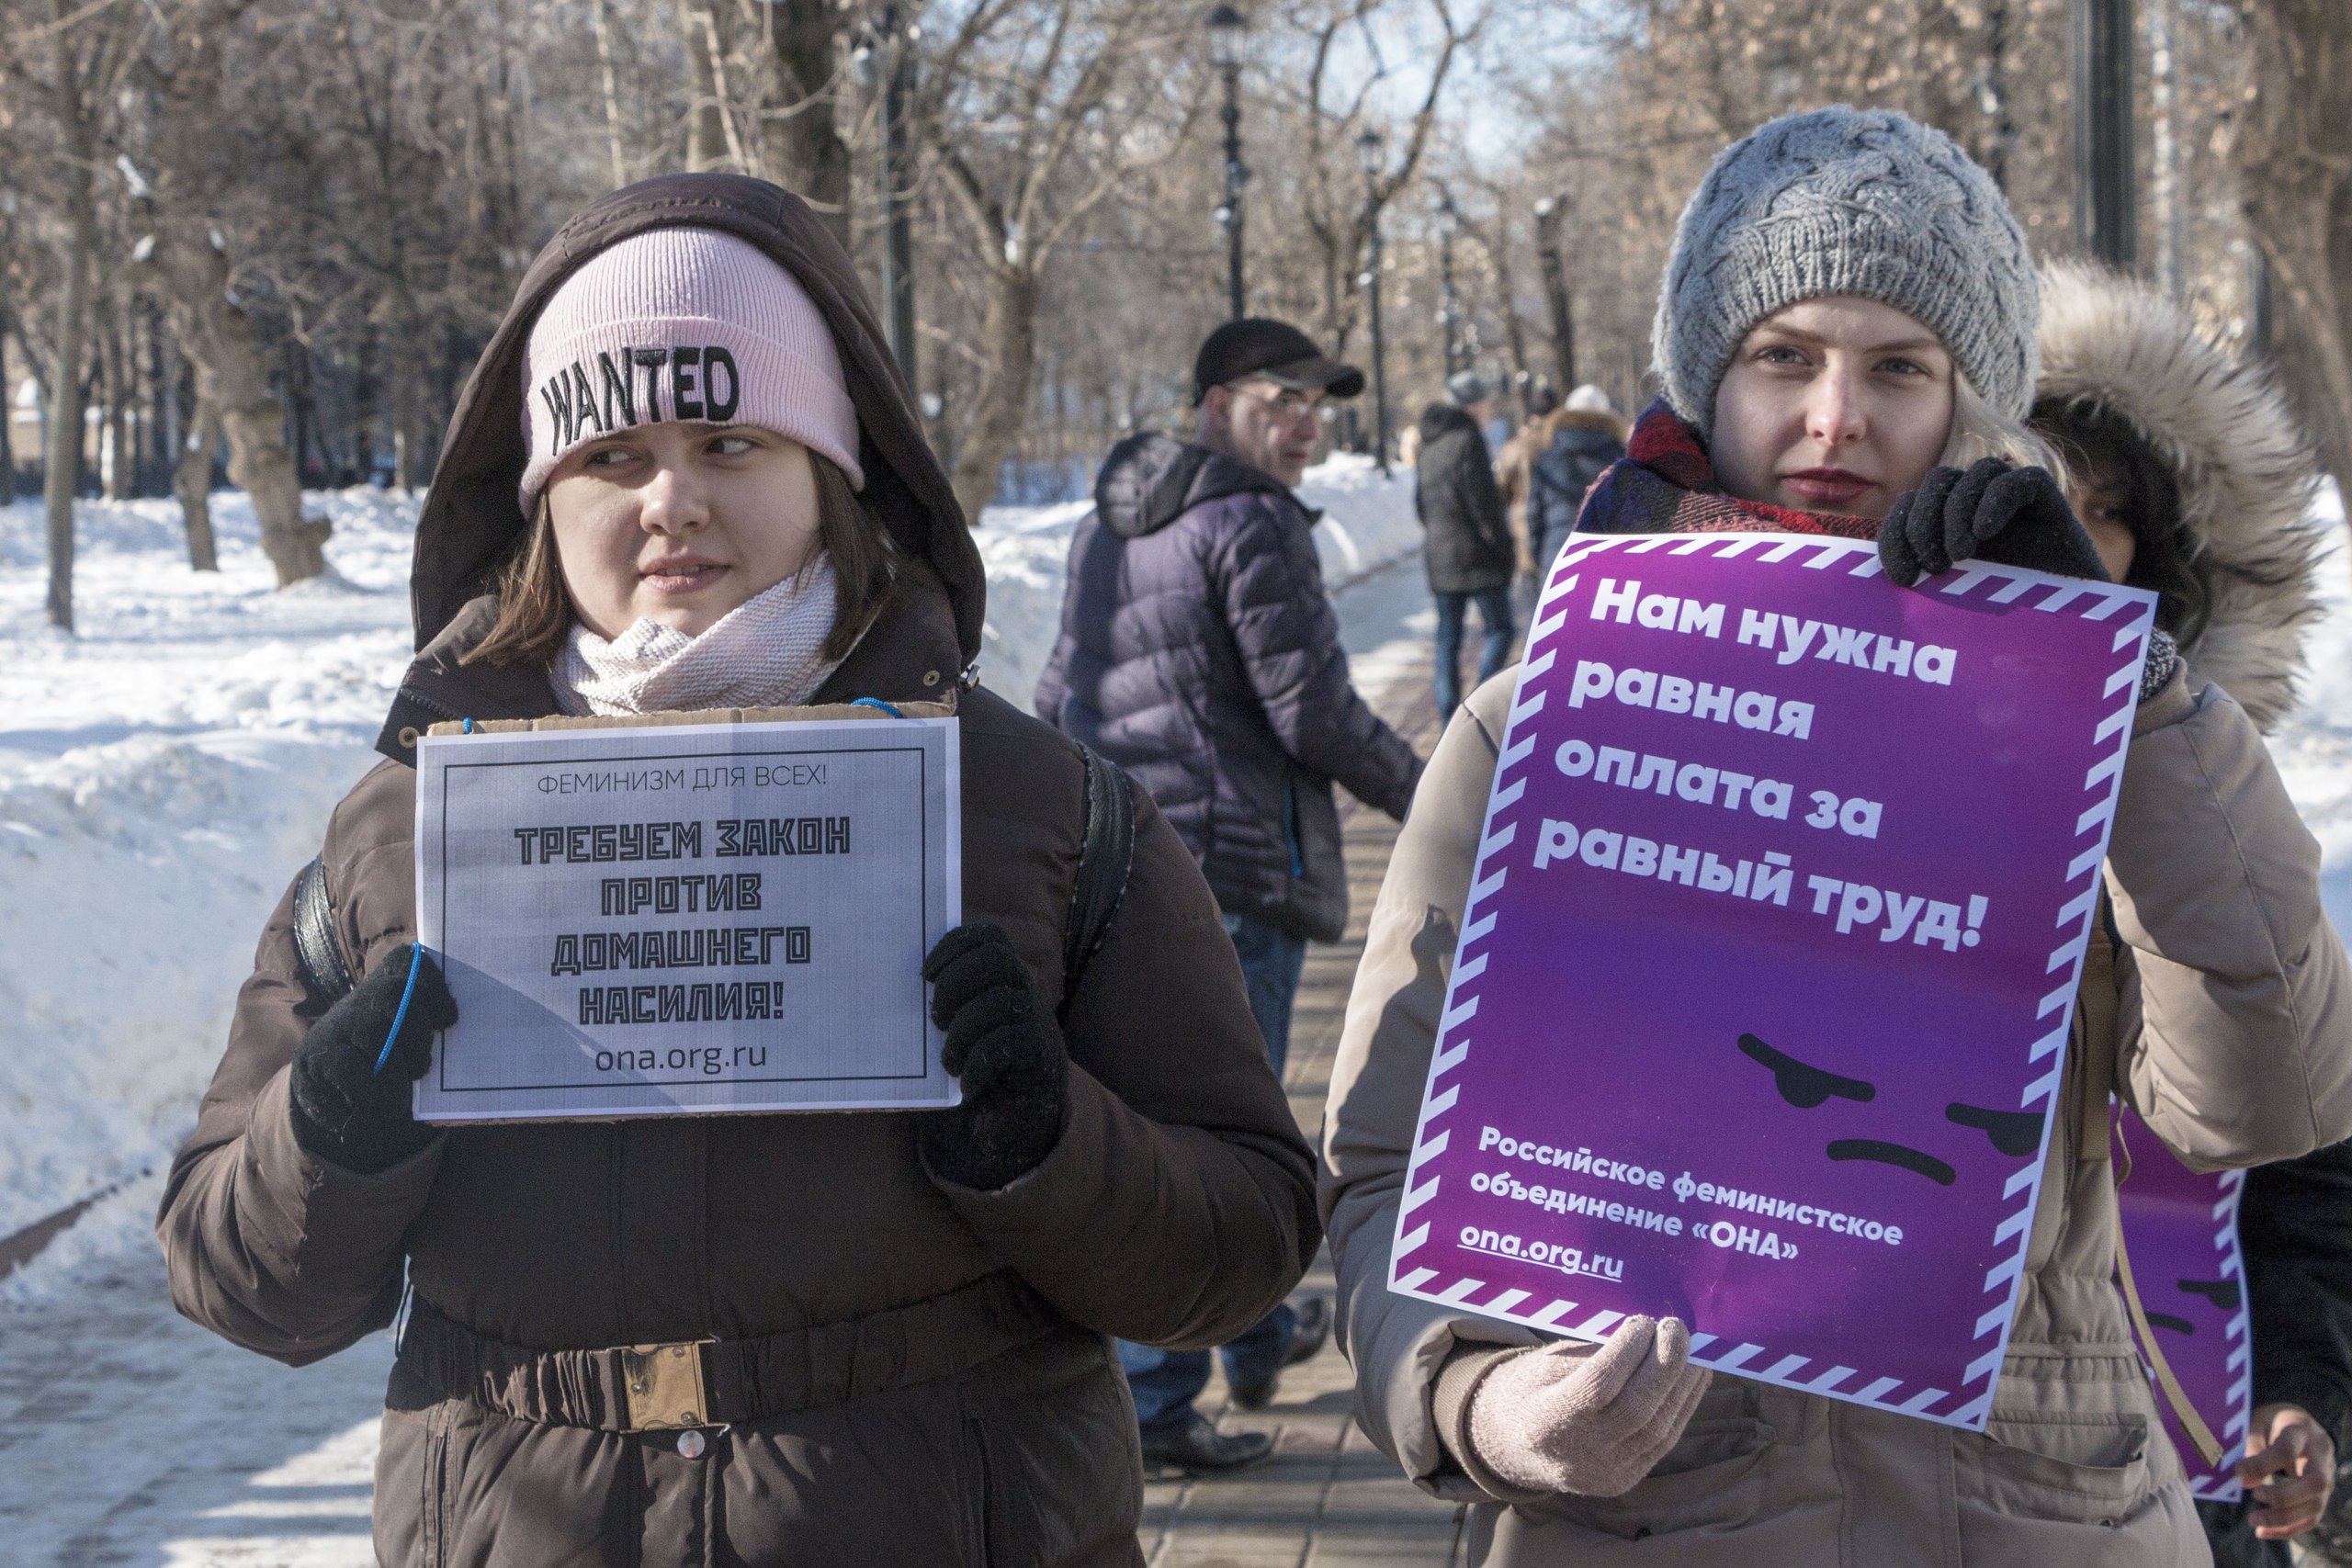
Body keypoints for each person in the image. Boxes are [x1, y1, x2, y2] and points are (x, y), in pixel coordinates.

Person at [157, 175, 1322, 1568]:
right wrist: (331, 1131)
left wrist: (1050, 1148)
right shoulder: (402, 830)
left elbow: (1246, 1240)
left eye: (729, 438)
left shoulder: (1037, 806)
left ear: (829, 468)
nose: (673, 502)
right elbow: (239, 1283)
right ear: (540, 495)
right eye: (611, 455)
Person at [1321, 106, 2352, 1564]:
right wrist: (1482, 1399)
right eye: (1784, 355)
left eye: (1900, 367)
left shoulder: (2112, 734)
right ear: (1710, 379)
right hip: (1653, 1503)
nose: (1835, 418)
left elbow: (2270, 1097)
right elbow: (1383, 1174)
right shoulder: (1540, 716)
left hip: (2036, 1509)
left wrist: (2118, 685)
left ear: (1971, 402)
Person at [1036, 316, 1421, 1472]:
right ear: (1214, 405)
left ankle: (1252, 1338)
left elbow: (1061, 691)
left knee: (1189, 1119)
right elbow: (1310, 711)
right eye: (1280, 398)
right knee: (1217, 1137)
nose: (1306, 424)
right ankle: (1157, 1397)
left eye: (1320, 406)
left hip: (1124, 875)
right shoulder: (1252, 521)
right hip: (1240, 873)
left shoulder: (1112, 522)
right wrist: (1449, 792)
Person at [2030, 258, 2349, 1565]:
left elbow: (2315, 1167)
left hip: (2193, 1465)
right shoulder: (1862, 810)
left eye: (2105, 516)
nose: (2070, 547)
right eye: (2035, 500)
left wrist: (2309, 1390)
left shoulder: (2213, 809)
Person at [1416, 371, 1517, 717]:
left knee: (1448, 639)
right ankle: (1477, 710)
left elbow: (1421, 504)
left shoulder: (1429, 441)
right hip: (1476, 555)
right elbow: (1483, 503)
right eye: (1486, 403)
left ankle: (1449, 718)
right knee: (1502, 629)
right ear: (1473, 405)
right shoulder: (1468, 437)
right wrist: (1504, 548)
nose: (1489, 410)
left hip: (1440, 555)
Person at [1528, 384, 1628, 578]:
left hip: (1558, 554)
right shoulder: (1622, 458)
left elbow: (1534, 515)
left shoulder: (1549, 458)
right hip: (1608, 558)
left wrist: (1539, 556)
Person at [1494, 383, 1563, 581]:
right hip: (1560, 531)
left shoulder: (1514, 447)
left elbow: (1501, 492)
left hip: (1524, 534)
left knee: (1532, 605)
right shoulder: (1563, 441)